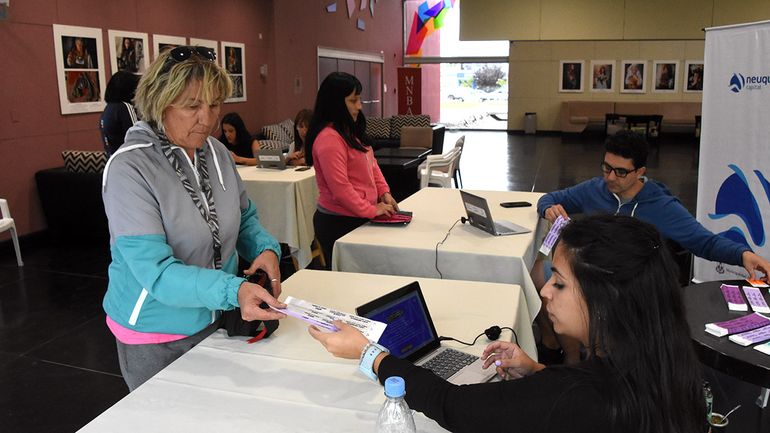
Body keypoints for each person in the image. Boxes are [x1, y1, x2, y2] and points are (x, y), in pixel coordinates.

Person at [310, 215, 707, 433]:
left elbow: (454, 407)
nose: (546, 292)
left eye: (560, 283)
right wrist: (535, 370)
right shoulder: (667, 360)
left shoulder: (576, 396)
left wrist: (371, 356)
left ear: (607, 301)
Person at [101, 45, 286, 391]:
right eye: (192, 106)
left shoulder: (216, 153)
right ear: (159, 103)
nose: (208, 118)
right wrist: (234, 290)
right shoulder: (130, 168)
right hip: (155, 334)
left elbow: (244, 217)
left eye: (214, 104)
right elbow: (157, 274)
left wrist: (264, 248)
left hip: (213, 317)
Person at [534, 130, 770, 363]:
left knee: (569, 292)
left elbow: (704, 241)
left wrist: (743, 255)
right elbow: (549, 198)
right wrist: (548, 209)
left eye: (621, 172)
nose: (610, 178)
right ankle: (569, 356)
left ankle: (591, 358)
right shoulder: (593, 190)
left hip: (626, 290)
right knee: (539, 275)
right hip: (592, 279)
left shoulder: (662, 206)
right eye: (606, 168)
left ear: (640, 172)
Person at [305, 72, 398, 267]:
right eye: (353, 100)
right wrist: (372, 210)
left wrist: (384, 192)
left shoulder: (348, 130)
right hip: (339, 222)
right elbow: (341, 190)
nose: (359, 106)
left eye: (359, 99)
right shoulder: (329, 139)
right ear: (336, 103)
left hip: (358, 216)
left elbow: (371, 165)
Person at [100, 71, 140, 156]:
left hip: (114, 159)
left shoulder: (107, 109)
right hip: (129, 160)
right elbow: (138, 136)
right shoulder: (125, 107)